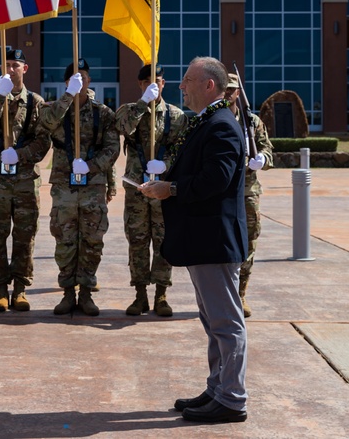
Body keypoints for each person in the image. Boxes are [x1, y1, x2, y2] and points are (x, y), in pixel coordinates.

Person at [139, 56, 249, 424]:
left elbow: (215, 180)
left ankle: (232, 398)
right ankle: (218, 388)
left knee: (225, 322)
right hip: (204, 239)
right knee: (213, 320)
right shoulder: (209, 122)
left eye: (188, 81)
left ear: (210, 86)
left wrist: (169, 188)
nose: (181, 87)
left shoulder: (222, 126)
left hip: (214, 238)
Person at [39, 59, 120, 316]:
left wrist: (92, 166)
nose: (81, 81)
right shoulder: (56, 109)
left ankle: (85, 293)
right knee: (64, 239)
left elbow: (112, 148)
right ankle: (66, 292)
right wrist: (67, 96)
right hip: (64, 185)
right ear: (66, 82)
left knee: (92, 240)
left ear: (90, 81)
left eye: (84, 77)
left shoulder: (103, 113)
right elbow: (47, 123)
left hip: (92, 185)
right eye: (75, 78)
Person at [0, 49, 51, 312]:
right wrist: (0, 95)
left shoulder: (36, 102)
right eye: (6, 65)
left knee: (24, 236)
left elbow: (43, 142)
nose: (10, 69)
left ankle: (19, 289)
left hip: (24, 181)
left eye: (15, 65)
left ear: (25, 68)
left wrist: (19, 155)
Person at [114, 64, 187, 317]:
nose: (151, 85)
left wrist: (166, 162)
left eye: (156, 81)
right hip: (137, 189)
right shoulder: (129, 111)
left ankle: (161, 295)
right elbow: (122, 128)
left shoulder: (177, 116)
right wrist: (142, 104)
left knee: (164, 241)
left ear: (164, 83)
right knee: (137, 242)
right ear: (140, 85)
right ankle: (140, 295)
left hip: (163, 189)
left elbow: (182, 149)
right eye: (146, 82)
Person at [225, 72, 273, 318]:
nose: (228, 94)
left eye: (232, 90)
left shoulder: (252, 122)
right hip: (222, 193)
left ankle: (241, 293)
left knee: (249, 242)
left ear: (238, 93)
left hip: (248, 192)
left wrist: (262, 159)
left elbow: (267, 150)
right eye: (225, 89)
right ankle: (226, 293)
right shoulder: (215, 119)